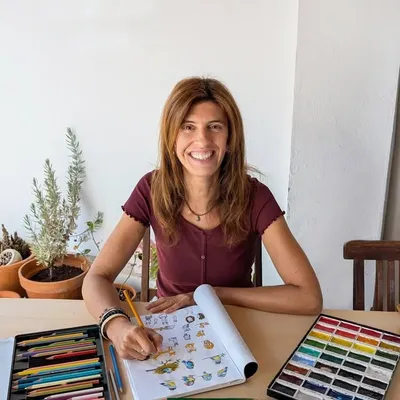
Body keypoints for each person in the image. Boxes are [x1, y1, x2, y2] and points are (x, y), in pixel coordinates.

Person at [82, 77, 322, 360]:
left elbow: (308, 297)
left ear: (230, 138)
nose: (203, 140)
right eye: (188, 127)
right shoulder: (151, 189)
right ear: (172, 137)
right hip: (167, 333)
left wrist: (213, 294)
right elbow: (97, 277)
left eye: (215, 127)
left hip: (238, 327)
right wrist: (117, 326)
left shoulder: (256, 196)